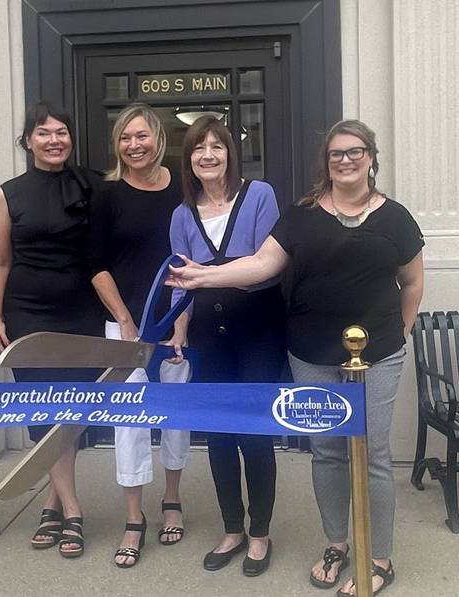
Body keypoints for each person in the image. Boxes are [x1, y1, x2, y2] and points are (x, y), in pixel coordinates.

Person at [167, 119, 425, 596]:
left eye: (355, 151)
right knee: (326, 452)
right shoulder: (302, 214)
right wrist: (201, 278)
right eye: (335, 154)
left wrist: (402, 332)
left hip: (379, 355)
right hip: (312, 352)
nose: (345, 160)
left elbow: (412, 283)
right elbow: (262, 263)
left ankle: (380, 557)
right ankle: (336, 543)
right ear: (325, 164)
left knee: (373, 455)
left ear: (371, 157)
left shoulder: (396, 218)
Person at [169, 116, 284, 576]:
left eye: (217, 146)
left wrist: (208, 276)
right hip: (208, 337)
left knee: (254, 433)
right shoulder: (181, 214)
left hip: (257, 328)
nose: (209, 155)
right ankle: (232, 528)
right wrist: (178, 329)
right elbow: (181, 284)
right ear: (189, 159)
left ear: (231, 154)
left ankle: (260, 534)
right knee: (217, 433)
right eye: (199, 148)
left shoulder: (259, 195)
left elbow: (265, 264)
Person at [0, 101, 103, 558]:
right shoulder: (6, 193)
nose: (54, 139)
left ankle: (51, 506)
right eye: (44, 133)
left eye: (62, 132)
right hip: (28, 312)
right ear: (28, 141)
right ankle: (73, 510)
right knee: (43, 410)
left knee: (70, 412)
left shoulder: (92, 185)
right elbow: (0, 260)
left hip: (81, 311)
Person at [89, 103, 190, 568]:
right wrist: (126, 321)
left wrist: (180, 323)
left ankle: (172, 498)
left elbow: (191, 258)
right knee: (128, 422)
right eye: (125, 138)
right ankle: (134, 516)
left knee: (174, 415)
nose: (134, 145)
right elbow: (96, 265)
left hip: (178, 323)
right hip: (123, 325)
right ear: (118, 144)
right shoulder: (107, 196)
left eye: (142, 136)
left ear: (158, 139)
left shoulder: (183, 190)